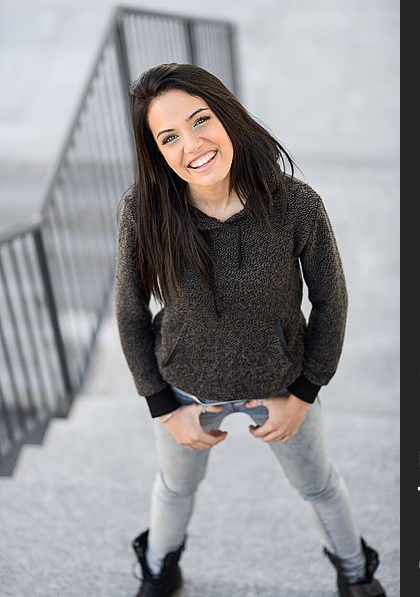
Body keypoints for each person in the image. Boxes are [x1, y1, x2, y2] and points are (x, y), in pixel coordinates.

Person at [115, 62, 387, 597]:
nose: (191, 144)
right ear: (156, 152)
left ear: (229, 116)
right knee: (174, 489)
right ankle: (159, 571)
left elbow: (331, 301)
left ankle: (356, 575)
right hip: (185, 388)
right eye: (168, 136)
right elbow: (130, 311)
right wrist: (162, 406)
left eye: (200, 120)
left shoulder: (295, 205)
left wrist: (305, 393)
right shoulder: (142, 212)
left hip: (282, 386)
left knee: (320, 485)